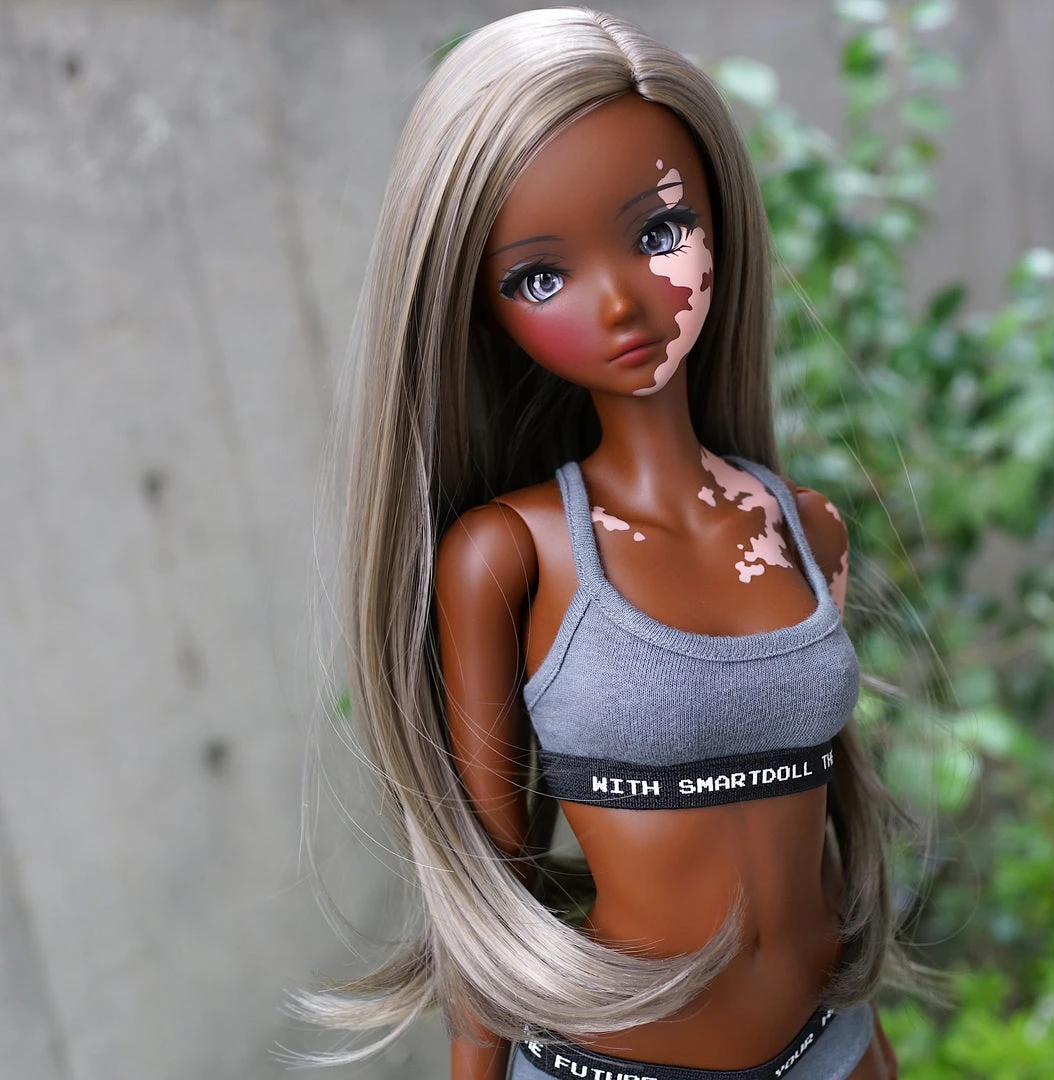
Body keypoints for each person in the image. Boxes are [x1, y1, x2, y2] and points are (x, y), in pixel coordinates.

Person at [295, 9, 914, 1079]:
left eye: (660, 231)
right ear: (481, 311)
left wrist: (873, 1050)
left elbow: (820, 824)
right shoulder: (509, 556)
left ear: (721, 216)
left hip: (830, 1043)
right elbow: (492, 875)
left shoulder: (803, 528)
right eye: (540, 278)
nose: (622, 302)